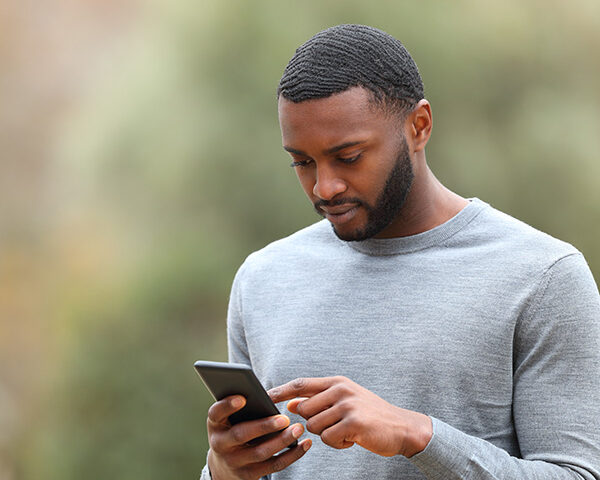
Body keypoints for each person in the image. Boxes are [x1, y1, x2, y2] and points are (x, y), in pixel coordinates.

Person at [200, 24, 600, 480]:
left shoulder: (542, 276)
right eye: (302, 162)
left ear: (419, 126)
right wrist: (224, 470)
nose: (324, 186)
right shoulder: (264, 278)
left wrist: (418, 435)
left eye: (348, 156)